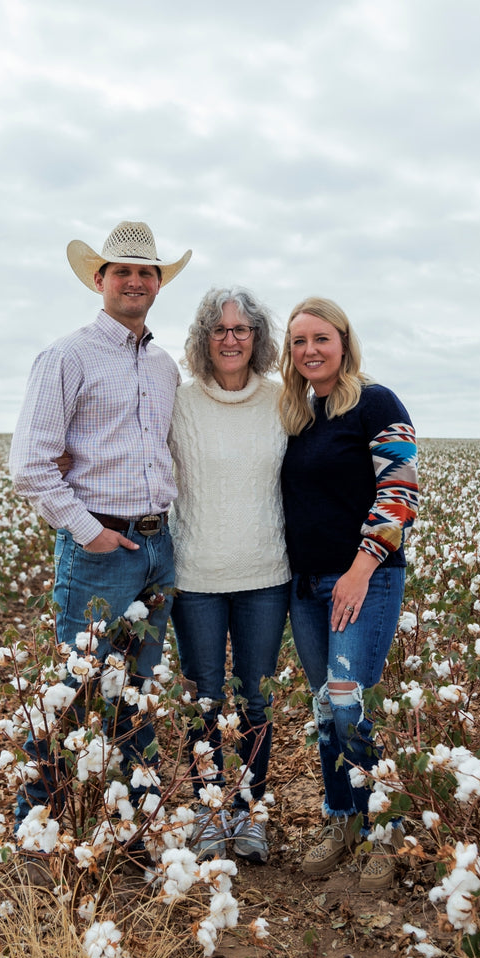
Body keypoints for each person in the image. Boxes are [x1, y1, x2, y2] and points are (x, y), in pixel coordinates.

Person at [7, 220, 192, 873]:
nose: (137, 281)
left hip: (156, 546)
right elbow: (30, 464)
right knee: (75, 688)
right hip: (98, 546)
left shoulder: (166, 366)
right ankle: (38, 830)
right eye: (123, 271)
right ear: (100, 279)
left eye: (148, 272)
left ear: (158, 283)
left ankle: (133, 828)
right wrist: (89, 530)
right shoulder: (69, 356)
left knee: (135, 691)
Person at [277, 296, 419, 890]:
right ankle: (343, 819)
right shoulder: (300, 414)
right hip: (306, 584)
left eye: (320, 339)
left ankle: (384, 829)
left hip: (362, 578)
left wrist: (361, 568)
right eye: (298, 342)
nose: (309, 350)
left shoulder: (375, 402)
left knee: (350, 700)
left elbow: (400, 490)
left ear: (344, 342)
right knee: (324, 706)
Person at [167, 288, 290, 864]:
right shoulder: (180, 403)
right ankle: (209, 812)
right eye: (219, 329)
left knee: (257, 702)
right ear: (202, 339)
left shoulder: (283, 400)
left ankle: (251, 812)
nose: (231, 339)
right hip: (195, 577)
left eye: (242, 330)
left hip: (267, 575)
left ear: (258, 338)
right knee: (205, 701)